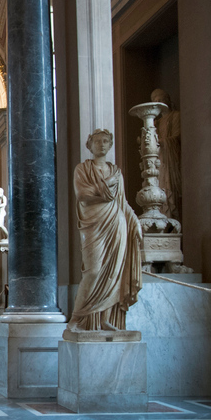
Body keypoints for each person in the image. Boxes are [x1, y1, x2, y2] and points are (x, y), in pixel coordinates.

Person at [69, 129, 142, 331]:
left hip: (116, 223)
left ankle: (104, 319)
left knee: (112, 273)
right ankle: (76, 319)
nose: (101, 144)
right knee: (93, 271)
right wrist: (104, 189)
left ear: (110, 146)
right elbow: (82, 195)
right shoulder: (82, 169)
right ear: (89, 145)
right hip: (94, 225)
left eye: (105, 141)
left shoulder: (116, 172)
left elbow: (123, 202)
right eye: (97, 141)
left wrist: (133, 220)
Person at [151, 89, 182, 220]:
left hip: (170, 160)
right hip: (160, 160)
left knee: (170, 191)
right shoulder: (156, 123)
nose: (158, 103)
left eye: (160, 100)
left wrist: (162, 142)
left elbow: (177, 137)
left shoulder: (176, 116)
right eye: (155, 101)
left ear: (167, 100)